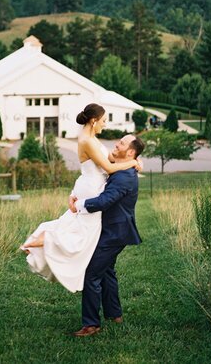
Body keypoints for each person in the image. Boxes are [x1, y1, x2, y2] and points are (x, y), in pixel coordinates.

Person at [20, 103, 140, 293]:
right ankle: (44, 241)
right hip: (92, 187)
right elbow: (109, 168)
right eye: (103, 121)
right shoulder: (87, 141)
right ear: (94, 121)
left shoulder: (91, 138)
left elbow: (109, 158)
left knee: (73, 226)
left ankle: (38, 241)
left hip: (89, 185)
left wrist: (131, 160)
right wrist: (133, 161)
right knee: (83, 236)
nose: (105, 125)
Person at [69, 134, 145, 337]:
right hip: (113, 230)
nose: (116, 144)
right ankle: (114, 314)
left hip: (114, 234)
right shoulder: (124, 166)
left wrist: (78, 205)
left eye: (121, 143)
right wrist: (136, 161)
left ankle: (91, 325)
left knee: (92, 273)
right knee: (106, 271)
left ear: (129, 152)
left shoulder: (124, 176)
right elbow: (107, 163)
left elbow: (104, 202)